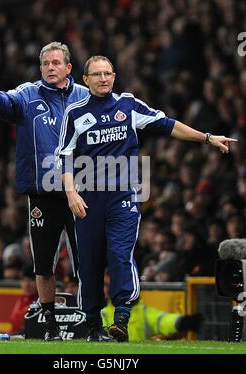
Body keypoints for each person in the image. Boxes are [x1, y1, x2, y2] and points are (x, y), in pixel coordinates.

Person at [57, 55, 237, 342]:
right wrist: (70, 193)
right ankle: (92, 326)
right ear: (85, 80)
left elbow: (169, 125)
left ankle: (122, 319)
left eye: (107, 73)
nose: (103, 78)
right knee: (89, 265)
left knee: (119, 254)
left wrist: (206, 137)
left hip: (123, 197)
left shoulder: (128, 105)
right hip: (87, 199)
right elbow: (64, 156)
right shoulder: (75, 113)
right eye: (97, 74)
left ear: (114, 76)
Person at [0, 42, 88, 340]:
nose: (50, 68)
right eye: (45, 63)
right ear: (40, 68)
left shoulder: (85, 97)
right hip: (43, 192)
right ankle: (49, 323)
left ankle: (89, 319)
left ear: (68, 68)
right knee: (44, 262)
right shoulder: (28, 94)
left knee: (86, 261)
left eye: (56, 63)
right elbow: (6, 103)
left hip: (81, 190)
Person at [9, 267, 39, 335]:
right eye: (23, 280)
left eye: (31, 280)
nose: (27, 284)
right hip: (15, 333)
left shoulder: (43, 301)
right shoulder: (22, 299)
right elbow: (14, 321)